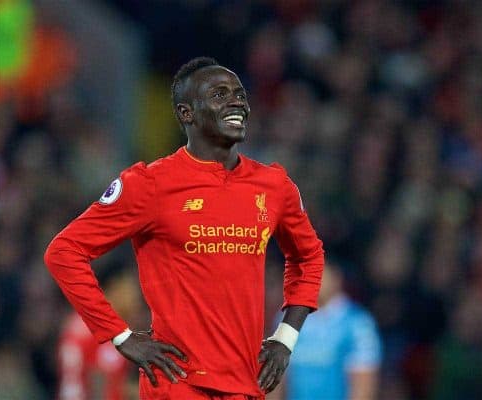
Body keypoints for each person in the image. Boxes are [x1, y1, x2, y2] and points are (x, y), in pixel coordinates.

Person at [44, 57, 324, 400]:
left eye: (239, 94)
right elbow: (64, 252)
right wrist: (120, 335)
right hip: (178, 384)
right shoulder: (149, 185)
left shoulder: (274, 186)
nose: (237, 101)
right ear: (186, 113)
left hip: (247, 385)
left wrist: (285, 337)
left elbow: (309, 256)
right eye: (220, 95)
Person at [271, 259, 381, 400]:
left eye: (318, 274)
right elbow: (276, 377)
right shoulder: (285, 318)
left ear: (336, 278)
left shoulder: (357, 323)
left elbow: (363, 385)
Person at [57, 268, 139, 400]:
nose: (135, 298)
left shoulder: (81, 322)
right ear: (114, 289)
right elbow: (99, 384)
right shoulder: (100, 329)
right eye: (130, 289)